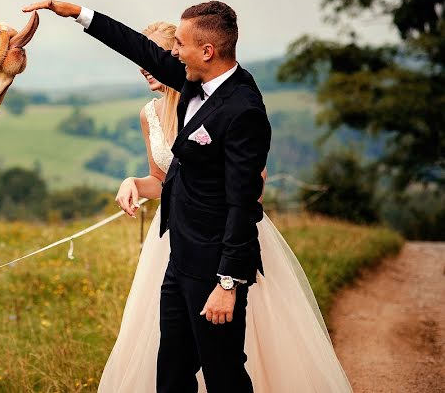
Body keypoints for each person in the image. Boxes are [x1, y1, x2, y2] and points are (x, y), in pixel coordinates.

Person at [20, 0, 334, 392]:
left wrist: (228, 283)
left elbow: (244, 203)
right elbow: (139, 48)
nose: (173, 55)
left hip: (214, 262)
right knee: (171, 371)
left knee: (224, 375)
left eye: (180, 46)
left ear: (207, 51)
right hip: (178, 257)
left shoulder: (243, 109)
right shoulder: (193, 80)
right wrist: (79, 14)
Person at [96, 21, 352, 392]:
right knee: (171, 357)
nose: (144, 66)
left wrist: (227, 277)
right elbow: (160, 179)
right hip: (173, 242)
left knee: (227, 355)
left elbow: (249, 189)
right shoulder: (149, 114)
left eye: (160, 54)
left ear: (186, 55)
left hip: (225, 240)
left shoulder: (226, 104)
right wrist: (133, 183)